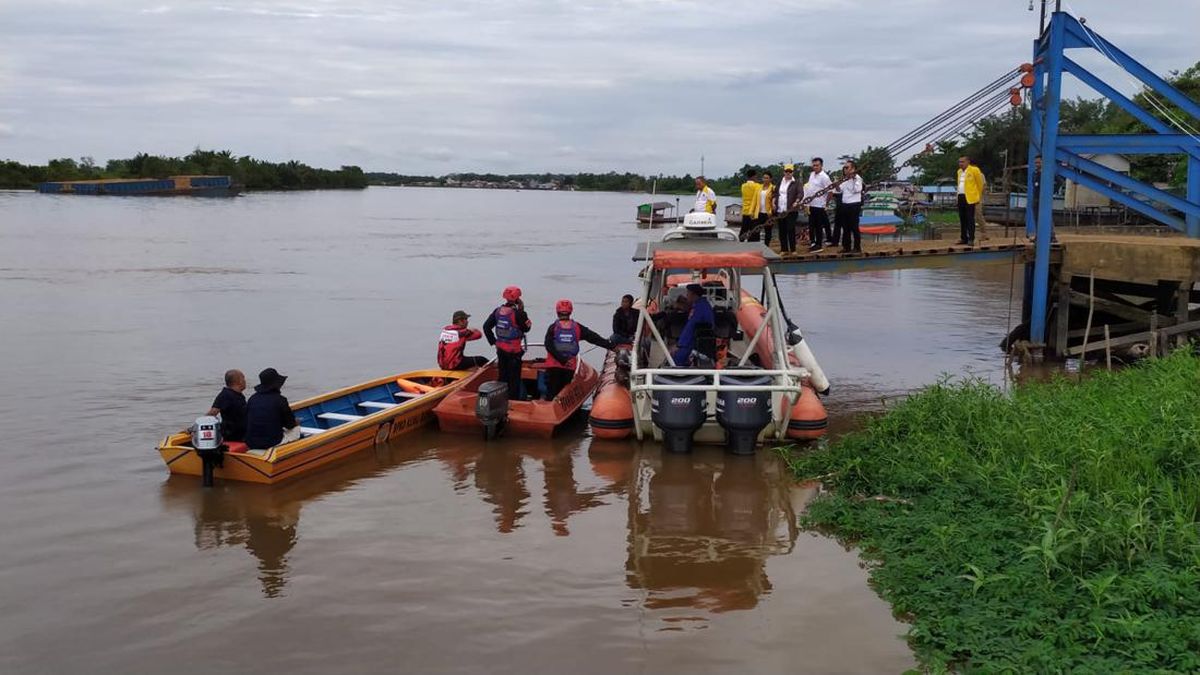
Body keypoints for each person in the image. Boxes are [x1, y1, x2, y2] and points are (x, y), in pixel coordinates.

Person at [543, 299, 614, 400]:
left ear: (557, 312)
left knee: (551, 391)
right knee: (564, 391)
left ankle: (548, 407)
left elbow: (548, 345)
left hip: (553, 366)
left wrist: (561, 360)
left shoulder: (553, 327)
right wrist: (611, 346)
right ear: (570, 311)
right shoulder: (577, 327)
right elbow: (594, 338)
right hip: (569, 367)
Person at [483, 285, 533, 399]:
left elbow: (486, 327)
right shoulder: (519, 313)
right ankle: (512, 401)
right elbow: (526, 328)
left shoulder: (497, 311)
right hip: (514, 352)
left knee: (502, 376)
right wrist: (522, 311)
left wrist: (494, 342)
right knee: (514, 379)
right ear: (518, 298)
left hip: (500, 350)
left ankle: (500, 399)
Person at [244, 368, 299, 451]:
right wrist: (296, 422)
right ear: (276, 384)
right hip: (272, 442)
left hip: (251, 442)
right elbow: (290, 425)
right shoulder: (280, 400)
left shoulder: (252, 399)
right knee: (296, 429)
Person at [673, 284, 716, 366]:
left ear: (694, 295)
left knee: (676, 358)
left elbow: (690, 328)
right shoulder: (703, 305)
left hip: (696, 343)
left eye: (688, 293)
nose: (686, 296)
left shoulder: (699, 309)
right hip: (702, 342)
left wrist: (679, 345)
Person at [207, 369, 247, 442]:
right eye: (243, 378)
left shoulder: (238, 395)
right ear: (239, 381)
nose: (245, 381)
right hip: (232, 435)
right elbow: (212, 413)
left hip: (242, 433)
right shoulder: (225, 395)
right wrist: (194, 428)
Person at [803, 158, 833, 252]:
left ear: (821, 166)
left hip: (820, 205)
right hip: (811, 204)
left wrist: (826, 203)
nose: (815, 167)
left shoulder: (824, 177)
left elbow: (830, 191)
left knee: (818, 226)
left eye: (817, 165)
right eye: (814, 165)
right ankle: (813, 242)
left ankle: (819, 244)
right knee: (811, 225)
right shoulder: (812, 174)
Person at [836, 160, 865, 253]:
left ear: (853, 169)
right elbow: (840, 190)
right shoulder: (845, 179)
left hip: (854, 205)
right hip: (845, 204)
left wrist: (853, 179)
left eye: (847, 167)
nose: (845, 169)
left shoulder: (857, 178)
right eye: (844, 167)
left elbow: (857, 189)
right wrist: (836, 185)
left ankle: (857, 247)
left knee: (854, 227)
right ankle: (846, 247)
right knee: (845, 227)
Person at [956, 155, 985, 246]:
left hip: (970, 198)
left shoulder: (974, 170)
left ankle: (971, 238)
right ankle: (963, 238)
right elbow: (959, 185)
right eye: (959, 162)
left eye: (962, 162)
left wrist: (978, 197)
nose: (961, 164)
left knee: (970, 218)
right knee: (962, 218)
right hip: (961, 196)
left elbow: (980, 184)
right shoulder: (959, 172)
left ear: (968, 162)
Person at [777, 164, 800, 253]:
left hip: (791, 210)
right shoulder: (780, 182)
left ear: (792, 172)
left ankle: (793, 249)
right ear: (784, 172)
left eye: (790, 171)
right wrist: (774, 201)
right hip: (780, 210)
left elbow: (800, 193)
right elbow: (775, 193)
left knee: (790, 229)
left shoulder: (796, 182)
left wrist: (797, 201)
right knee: (782, 231)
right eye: (787, 171)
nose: (788, 173)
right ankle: (784, 249)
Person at [739, 169, 762, 241]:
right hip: (754, 212)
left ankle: (740, 242)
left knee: (744, 229)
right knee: (754, 231)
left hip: (745, 211)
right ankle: (752, 245)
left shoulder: (743, 186)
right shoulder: (757, 186)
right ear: (754, 176)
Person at [757, 171, 775, 247]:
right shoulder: (759, 187)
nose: (765, 179)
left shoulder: (773, 188)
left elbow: (775, 198)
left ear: (770, 179)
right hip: (759, 212)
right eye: (764, 178)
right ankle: (758, 246)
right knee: (757, 230)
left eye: (767, 178)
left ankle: (766, 245)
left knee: (768, 231)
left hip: (768, 213)